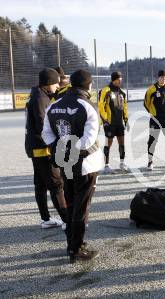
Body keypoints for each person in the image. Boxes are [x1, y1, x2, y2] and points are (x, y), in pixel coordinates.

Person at [42, 69, 103, 263]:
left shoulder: (54, 106)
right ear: (88, 86)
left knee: (70, 203)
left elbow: (46, 134)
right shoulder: (88, 106)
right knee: (81, 208)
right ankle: (76, 249)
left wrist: (60, 150)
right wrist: (73, 151)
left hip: (64, 163)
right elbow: (89, 139)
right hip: (85, 165)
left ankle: (72, 243)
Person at [25, 67, 67, 229]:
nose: (57, 86)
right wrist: (57, 142)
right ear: (48, 83)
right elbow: (44, 125)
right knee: (56, 183)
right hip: (43, 147)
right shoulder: (41, 99)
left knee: (41, 183)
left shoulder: (38, 95)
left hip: (35, 146)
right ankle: (66, 219)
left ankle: (46, 219)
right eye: (56, 83)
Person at [144, 70, 165, 170]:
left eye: (164, 77)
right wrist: (153, 113)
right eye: (161, 77)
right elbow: (146, 103)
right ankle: (150, 162)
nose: (163, 79)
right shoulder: (151, 89)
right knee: (152, 140)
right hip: (155, 119)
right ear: (157, 78)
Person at [99, 71, 129, 173]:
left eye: (120, 79)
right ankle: (106, 165)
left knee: (122, 143)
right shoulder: (105, 90)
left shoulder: (122, 93)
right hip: (109, 123)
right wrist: (105, 121)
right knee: (108, 144)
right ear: (113, 80)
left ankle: (122, 163)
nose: (119, 81)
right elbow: (101, 107)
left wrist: (126, 120)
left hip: (119, 123)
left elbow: (125, 107)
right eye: (117, 79)